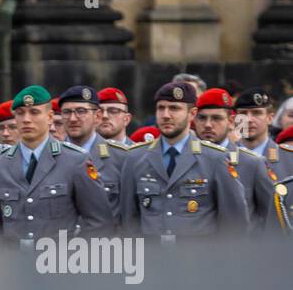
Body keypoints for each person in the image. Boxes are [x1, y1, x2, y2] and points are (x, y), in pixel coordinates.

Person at [0, 85, 113, 244]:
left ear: (49, 117)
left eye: (34, 112)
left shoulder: (74, 160)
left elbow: (99, 223)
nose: (26, 119)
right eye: (20, 113)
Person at [119, 81, 249, 238]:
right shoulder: (135, 157)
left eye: (174, 108)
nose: (166, 115)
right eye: (161, 108)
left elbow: (234, 223)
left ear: (192, 114)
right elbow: (128, 220)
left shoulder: (215, 158)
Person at [193, 87, 276, 230]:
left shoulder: (252, 163)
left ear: (231, 121)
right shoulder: (184, 160)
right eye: (202, 118)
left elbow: (270, 218)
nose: (208, 124)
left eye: (216, 118)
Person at [58, 84, 126, 212]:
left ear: (98, 116)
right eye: (67, 112)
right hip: (63, 233)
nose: (73, 119)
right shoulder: (50, 156)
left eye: (81, 111)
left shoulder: (120, 157)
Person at [234, 88, 293, 179]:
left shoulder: (289, 158)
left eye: (256, 113)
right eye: (243, 113)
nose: (249, 120)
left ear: (270, 118)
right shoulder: (222, 158)